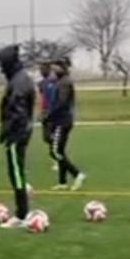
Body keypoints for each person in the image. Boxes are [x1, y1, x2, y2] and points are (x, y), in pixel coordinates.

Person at [0, 45, 37, 228]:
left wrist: (10, 132)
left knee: (16, 172)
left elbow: (17, 111)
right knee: (16, 170)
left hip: (18, 134)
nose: (0, 67)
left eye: (1, 63)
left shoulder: (19, 81)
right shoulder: (20, 78)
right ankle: (25, 192)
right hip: (21, 131)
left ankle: (21, 214)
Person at [46, 58, 86, 190]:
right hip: (61, 120)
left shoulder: (64, 83)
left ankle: (77, 174)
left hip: (62, 121)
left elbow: (62, 103)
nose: (52, 71)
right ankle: (62, 182)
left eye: (55, 68)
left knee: (55, 151)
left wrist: (49, 116)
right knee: (60, 151)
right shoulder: (61, 82)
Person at [37, 62, 59, 171]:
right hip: (46, 114)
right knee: (46, 138)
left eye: (43, 69)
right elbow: (43, 99)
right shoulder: (41, 84)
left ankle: (57, 160)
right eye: (40, 70)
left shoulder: (56, 82)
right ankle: (57, 154)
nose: (41, 72)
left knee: (53, 137)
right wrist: (42, 111)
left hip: (54, 113)